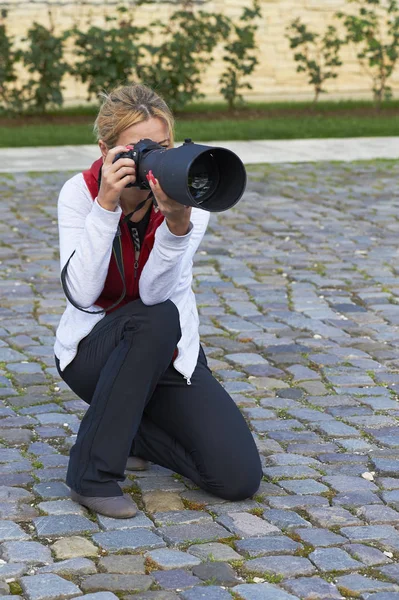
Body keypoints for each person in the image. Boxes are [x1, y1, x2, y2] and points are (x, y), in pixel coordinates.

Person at [54, 83, 262, 518]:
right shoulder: (79, 193)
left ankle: (124, 428)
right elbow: (83, 292)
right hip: (95, 355)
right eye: (139, 147)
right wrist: (106, 205)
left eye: (161, 146)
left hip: (166, 356)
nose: (153, 157)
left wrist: (176, 224)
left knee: (237, 477)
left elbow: (154, 292)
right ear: (105, 149)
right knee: (153, 320)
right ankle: (91, 474)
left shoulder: (188, 200)